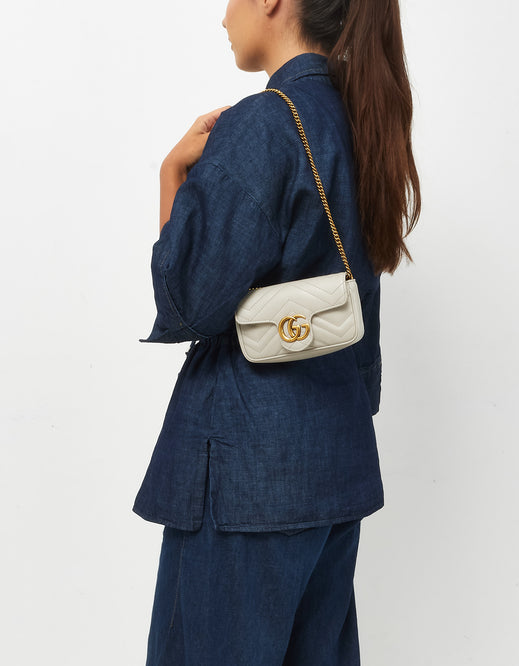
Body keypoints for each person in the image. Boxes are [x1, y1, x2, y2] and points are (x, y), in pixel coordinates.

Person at [133, 0, 421, 664]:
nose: (223, 15)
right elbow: (362, 304)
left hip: (245, 480)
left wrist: (171, 175)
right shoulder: (359, 116)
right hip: (334, 463)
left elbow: (186, 302)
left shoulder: (264, 123)